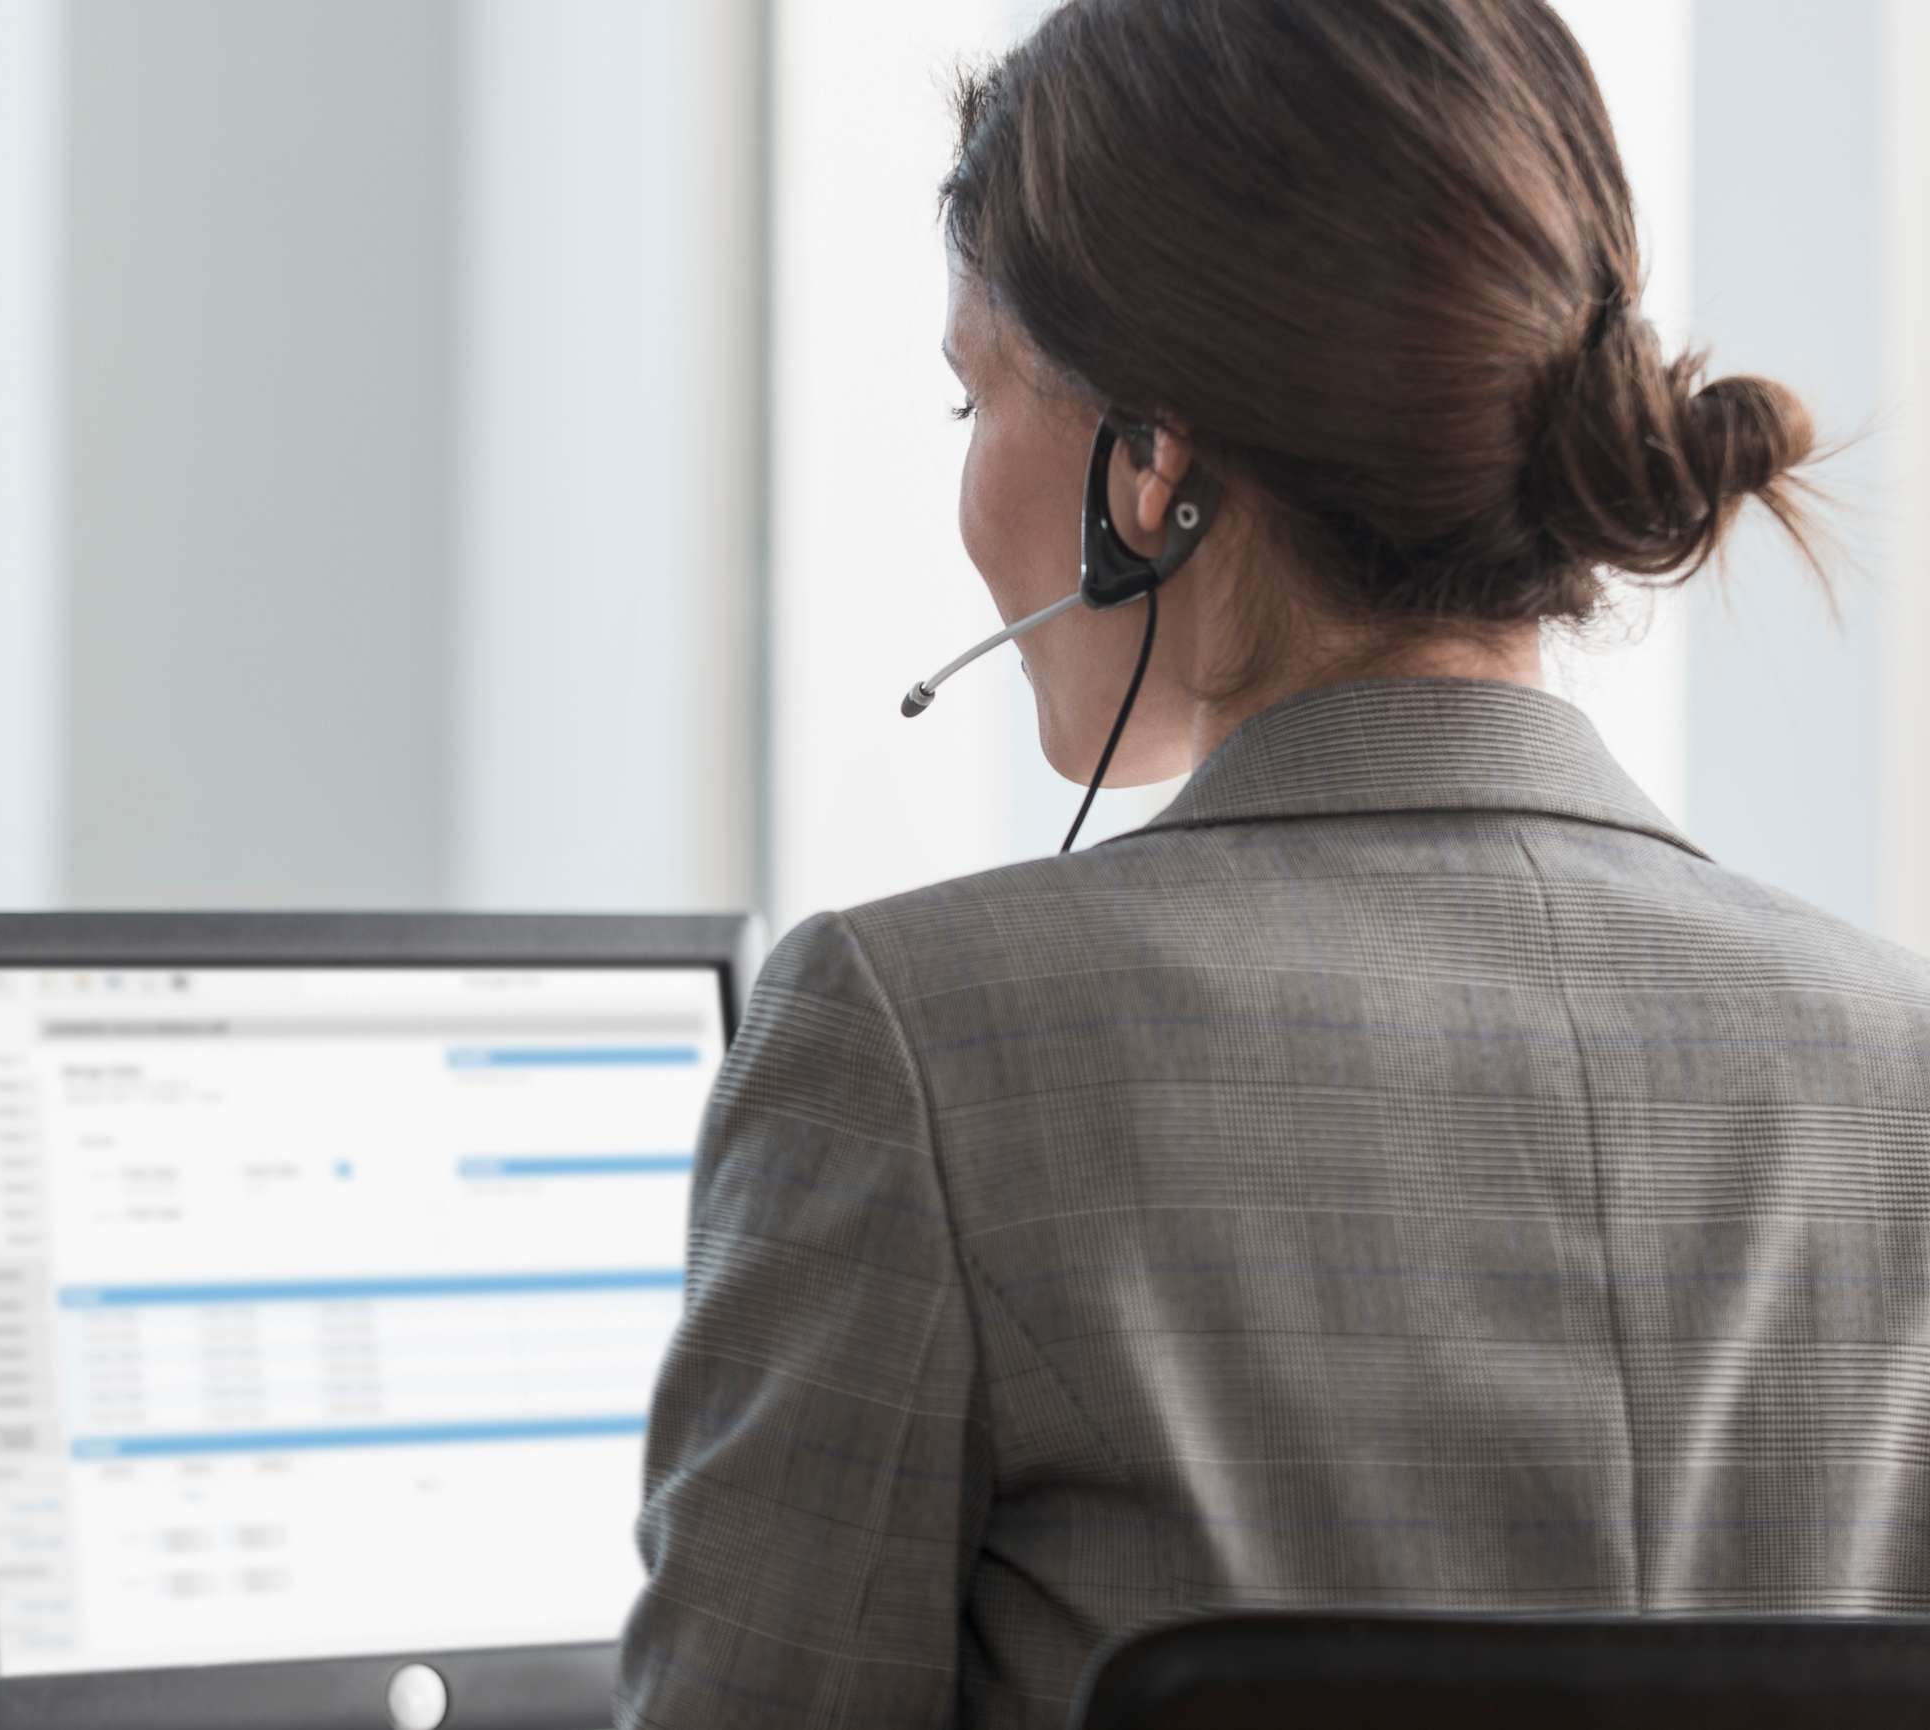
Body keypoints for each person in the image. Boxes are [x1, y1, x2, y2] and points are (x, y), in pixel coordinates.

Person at [619, 1, 1930, 1724]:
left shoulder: (909, 1047)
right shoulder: (1895, 1066)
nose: (959, 489)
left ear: (1148, 466)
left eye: (970, 400)